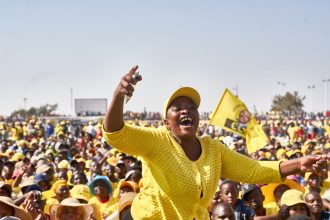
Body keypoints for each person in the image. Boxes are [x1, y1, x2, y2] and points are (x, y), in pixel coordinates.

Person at [103, 65, 330, 219]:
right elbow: (115, 133)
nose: (186, 111)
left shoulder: (213, 149)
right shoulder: (156, 140)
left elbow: (253, 169)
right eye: (178, 108)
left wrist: (298, 164)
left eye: (192, 108)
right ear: (166, 121)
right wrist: (119, 95)